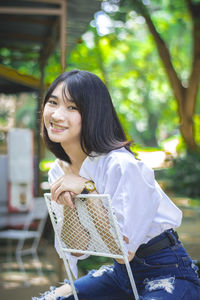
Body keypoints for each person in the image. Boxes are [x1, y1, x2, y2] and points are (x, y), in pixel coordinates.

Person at [33, 70, 200, 300]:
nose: (57, 115)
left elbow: (124, 251)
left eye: (73, 107)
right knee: (52, 299)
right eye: (53, 103)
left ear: (93, 114)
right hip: (120, 274)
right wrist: (71, 200)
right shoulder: (59, 170)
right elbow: (77, 249)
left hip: (166, 270)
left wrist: (87, 188)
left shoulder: (121, 166)